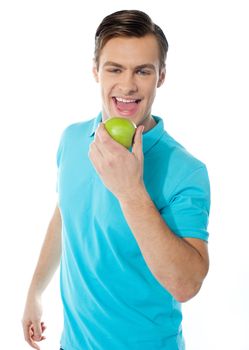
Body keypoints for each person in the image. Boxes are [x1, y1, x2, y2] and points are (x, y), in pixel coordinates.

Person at [22, 9, 211, 350]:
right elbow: (66, 215)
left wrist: (131, 191)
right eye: (115, 69)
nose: (127, 85)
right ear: (96, 70)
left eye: (143, 71)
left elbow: (186, 284)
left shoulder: (186, 170)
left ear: (161, 76)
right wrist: (35, 292)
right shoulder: (72, 139)